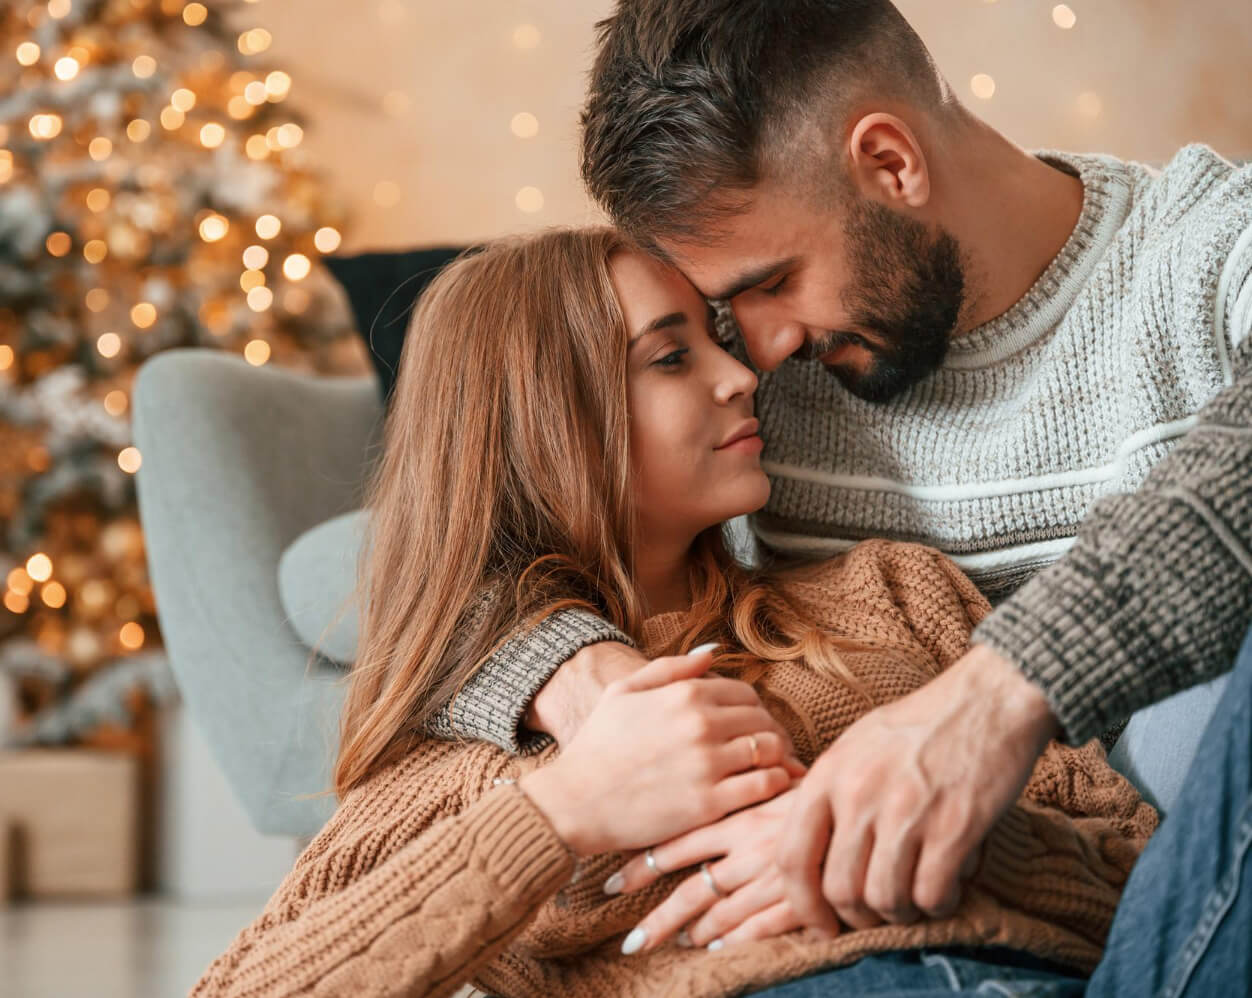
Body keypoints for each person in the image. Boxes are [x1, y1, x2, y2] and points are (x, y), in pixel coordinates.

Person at [424, 0, 1252, 961]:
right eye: (733, 304)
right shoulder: (752, 370)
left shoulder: (1210, 248)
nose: (762, 347)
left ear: (891, 163)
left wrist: (998, 697)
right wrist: (573, 673)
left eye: (773, 281)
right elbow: (449, 540)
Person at [189, 228, 1162, 998]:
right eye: (668, 357)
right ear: (548, 424)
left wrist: (910, 835)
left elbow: (1147, 881)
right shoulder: (482, 755)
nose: (740, 377)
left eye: (714, 340)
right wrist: (565, 809)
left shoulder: (891, 595)